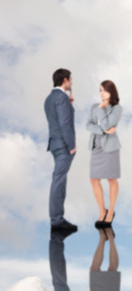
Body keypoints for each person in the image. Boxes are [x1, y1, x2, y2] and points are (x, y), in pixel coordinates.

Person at [44, 68, 77, 232]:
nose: (71, 82)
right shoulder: (61, 98)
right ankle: (56, 219)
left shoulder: (50, 98)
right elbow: (64, 124)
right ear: (65, 80)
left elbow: (57, 120)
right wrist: (71, 146)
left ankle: (59, 217)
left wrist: (69, 106)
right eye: (70, 79)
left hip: (54, 143)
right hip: (63, 145)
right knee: (58, 179)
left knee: (61, 179)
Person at [86, 80, 122, 228]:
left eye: (105, 90)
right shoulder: (94, 107)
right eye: (100, 90)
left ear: (111, 92)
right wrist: (102, 130)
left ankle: (111, 211)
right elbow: (88, 125)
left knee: (111, 180)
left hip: (110, 148)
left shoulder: (117, 108)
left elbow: (108, 124)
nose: (101, 93)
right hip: (96, 146)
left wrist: (101, 112)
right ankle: (102, 210)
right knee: (94, 180)